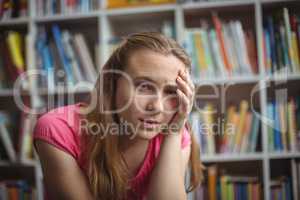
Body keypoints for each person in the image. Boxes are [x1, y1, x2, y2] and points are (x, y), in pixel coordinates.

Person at [33, 32, 203, 200]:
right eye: (144, 86)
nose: (157, 107)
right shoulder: (58, 129)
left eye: (172, 92)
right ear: (112, 83)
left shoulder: (174, 136)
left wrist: (175, 130)